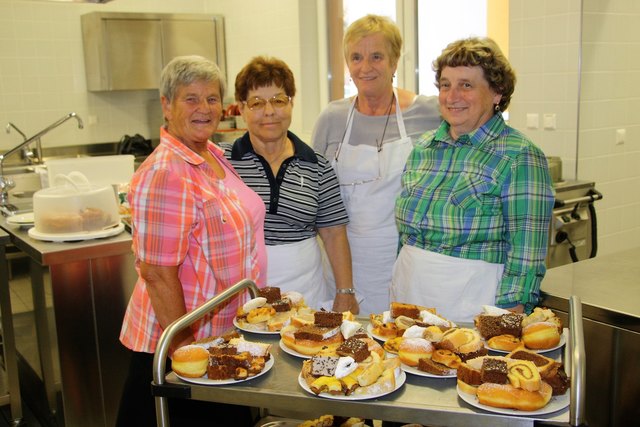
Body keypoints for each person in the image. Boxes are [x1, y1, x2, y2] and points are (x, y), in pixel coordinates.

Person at [116, 55, 266, 427]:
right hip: (178, 347)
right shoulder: (166, 172)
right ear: (167, 105)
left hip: (220, 338)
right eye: (191, 98)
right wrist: (186, 354)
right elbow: (157, 274)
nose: (205, 108)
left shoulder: (212, 154)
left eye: (212, 98)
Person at [393, 37, 555, 322]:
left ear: (496, 93)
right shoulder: (423, 149)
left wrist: (510, 316)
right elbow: (405, 238)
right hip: (408, 294)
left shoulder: (520, 156)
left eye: (466, 85)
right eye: (445, 85)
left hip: (471, 303)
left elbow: (526, 254)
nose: (452, 96)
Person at [312, 14, 440, 315]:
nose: (365, 67)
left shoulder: (429, 113)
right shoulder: (332, 118)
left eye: (376, 56)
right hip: (343, 262)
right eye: (356, 57)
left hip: (401, 258)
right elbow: (316, 191)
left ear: (395, 62)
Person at [224, 56, 358, 314]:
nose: (269, 111)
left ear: (291, 103)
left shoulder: (316, 165)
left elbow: (333, 234)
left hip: (305, 292)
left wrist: (345, 292)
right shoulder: (224, 163)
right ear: (241, 108)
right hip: (240, 294)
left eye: (278, 100)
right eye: (256, 103)